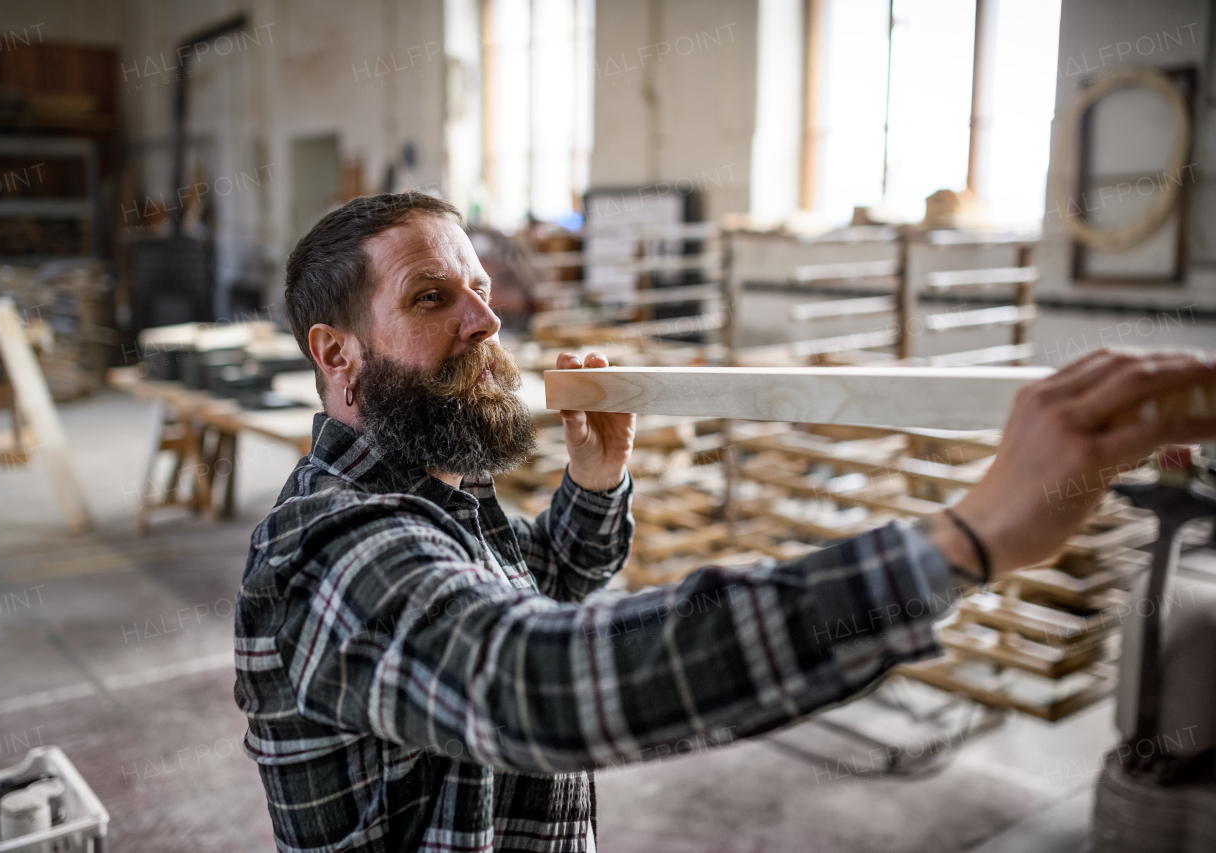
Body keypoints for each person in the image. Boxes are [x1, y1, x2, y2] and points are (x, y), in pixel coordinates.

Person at [233, 192, 1216, 853]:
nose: (487, 322)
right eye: (431, 298)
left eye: (480, 290)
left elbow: (540, 591)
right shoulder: (331, 551)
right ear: (338, 353)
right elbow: (539, 684)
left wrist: (593, 481)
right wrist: (968, 537)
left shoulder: (435, 492)